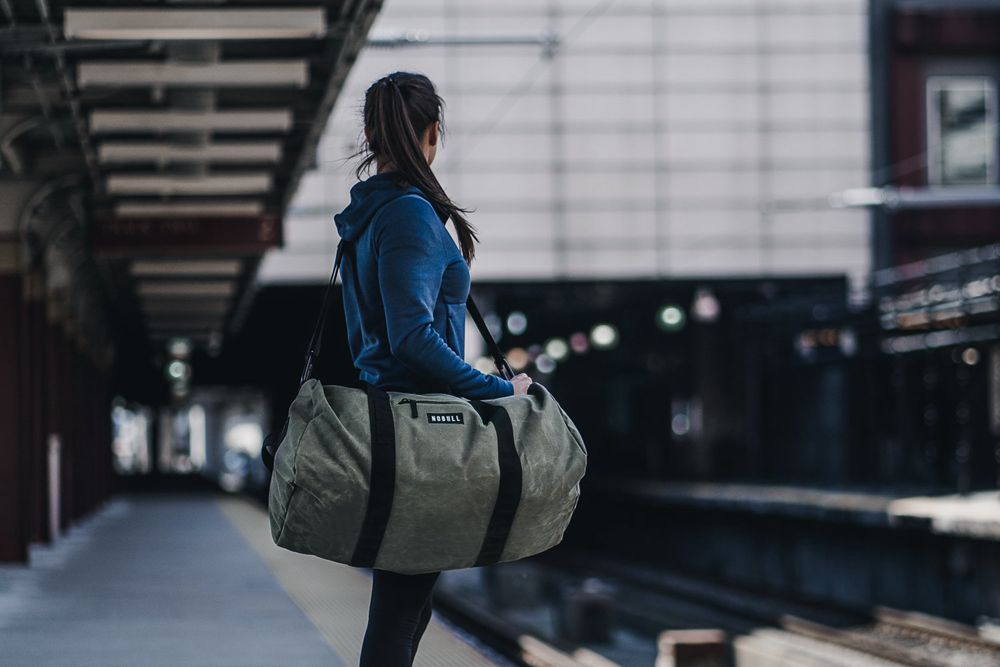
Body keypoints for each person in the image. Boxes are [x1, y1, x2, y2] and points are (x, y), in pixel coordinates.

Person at [333, 71, 534, 666]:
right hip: (423, 432)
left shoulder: (371, 214)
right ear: (433, 134)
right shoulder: (408, 216)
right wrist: (502, 391)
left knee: (406, 605)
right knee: (400, 612)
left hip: (395, 421)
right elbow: (414, 339)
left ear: (370, 133)